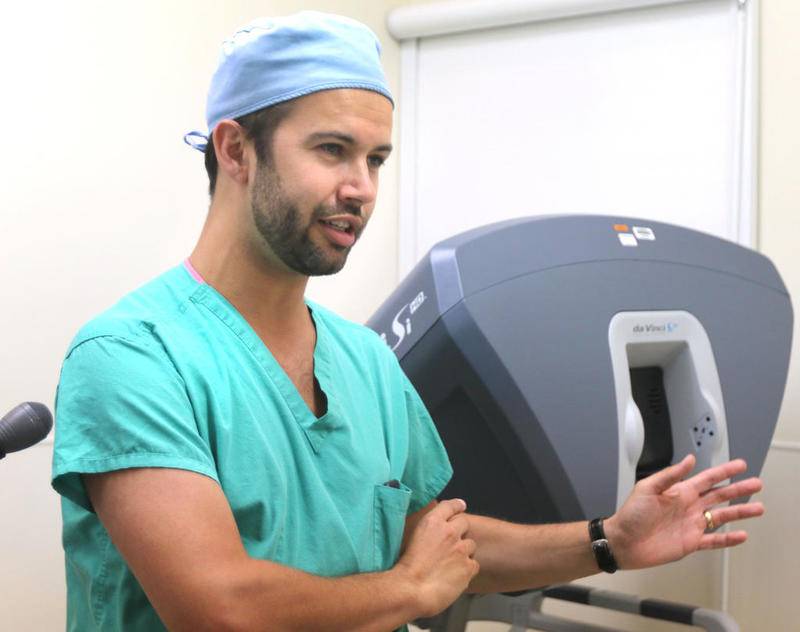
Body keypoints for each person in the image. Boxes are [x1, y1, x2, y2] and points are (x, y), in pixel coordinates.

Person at [51, 11, 764, 632]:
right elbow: (220, 609)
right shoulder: (132, 357)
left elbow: (438, 538)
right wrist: (409, 589)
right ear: (235, 149)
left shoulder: (363, 360)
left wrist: (608, 540)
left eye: (376, 159)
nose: (361, 187)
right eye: (332, 150)